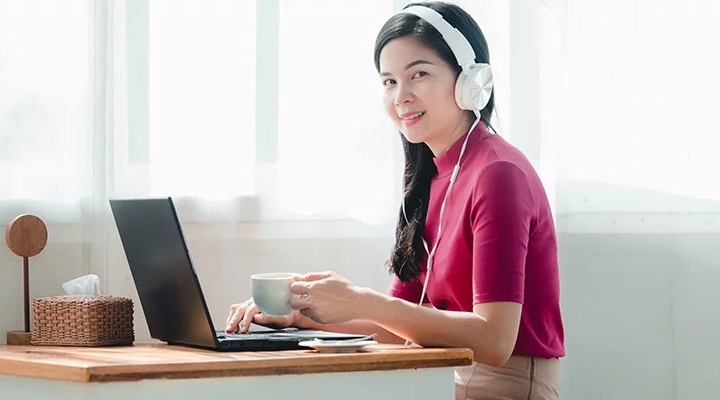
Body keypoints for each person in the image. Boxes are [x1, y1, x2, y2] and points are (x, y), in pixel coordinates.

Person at [224, 2, 563, 398]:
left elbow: (494, 342)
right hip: (445, 377)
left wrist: (360, 300)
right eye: (389, 82)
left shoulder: (499, 174)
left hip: (505, 385)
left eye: (419, 74)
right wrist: (299, 316)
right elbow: (391, 327)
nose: (401, 96)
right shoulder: (432, 178)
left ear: (470, 80)